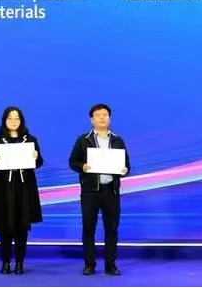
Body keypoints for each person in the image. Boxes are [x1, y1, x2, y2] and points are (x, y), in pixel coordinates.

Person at [68, 103, 131, 276]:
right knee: (89, 228)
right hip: (90, 192)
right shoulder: (83, 139)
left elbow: (126, 164)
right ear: (92, 119)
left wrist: (124, 170)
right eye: (98, 115)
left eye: (105, 115)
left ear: (109, 118)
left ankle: (111, 264)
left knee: (111, 229)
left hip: (111, 191)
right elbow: (73, 161)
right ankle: (90, 264)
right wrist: (82, 167)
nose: (102, 117)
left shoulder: (118, 140)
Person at [0, 106, 44, 275]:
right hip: (3, 188)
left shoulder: (30, 139)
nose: (13, 121)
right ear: (4, 120)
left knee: (22, 227)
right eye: (10, 118)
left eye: (17, 118)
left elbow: (39, 162)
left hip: (24, 188)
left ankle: (19, 263)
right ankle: (5, 262)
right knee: (5, 226)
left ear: (21, 121)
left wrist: (36, 157)